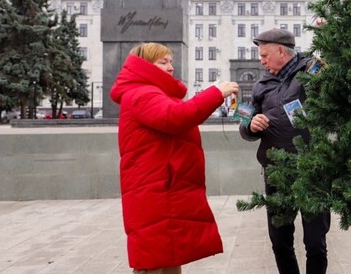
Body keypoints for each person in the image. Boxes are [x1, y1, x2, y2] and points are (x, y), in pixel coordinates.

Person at [110, 42, 238, 274]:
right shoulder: (142, 93)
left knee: (168, 255)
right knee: (153, 261)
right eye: (163, 62)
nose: (171, 68)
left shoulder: (150, 93)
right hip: (156, 191)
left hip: (162, 188)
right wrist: (216, 92)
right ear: (145, 66)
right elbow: (176, 117)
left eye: (171, 62)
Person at [239, 28, 331, 274]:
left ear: (281, 51)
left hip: (312, 171)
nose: (261, 60)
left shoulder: (312, 70)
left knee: (315, 242)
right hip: (276, 172)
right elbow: (243, 120)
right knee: (280, 242)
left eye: (264, 54)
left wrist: (328, 32)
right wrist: (250, 124)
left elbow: (337, 81)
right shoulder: (260, 84)